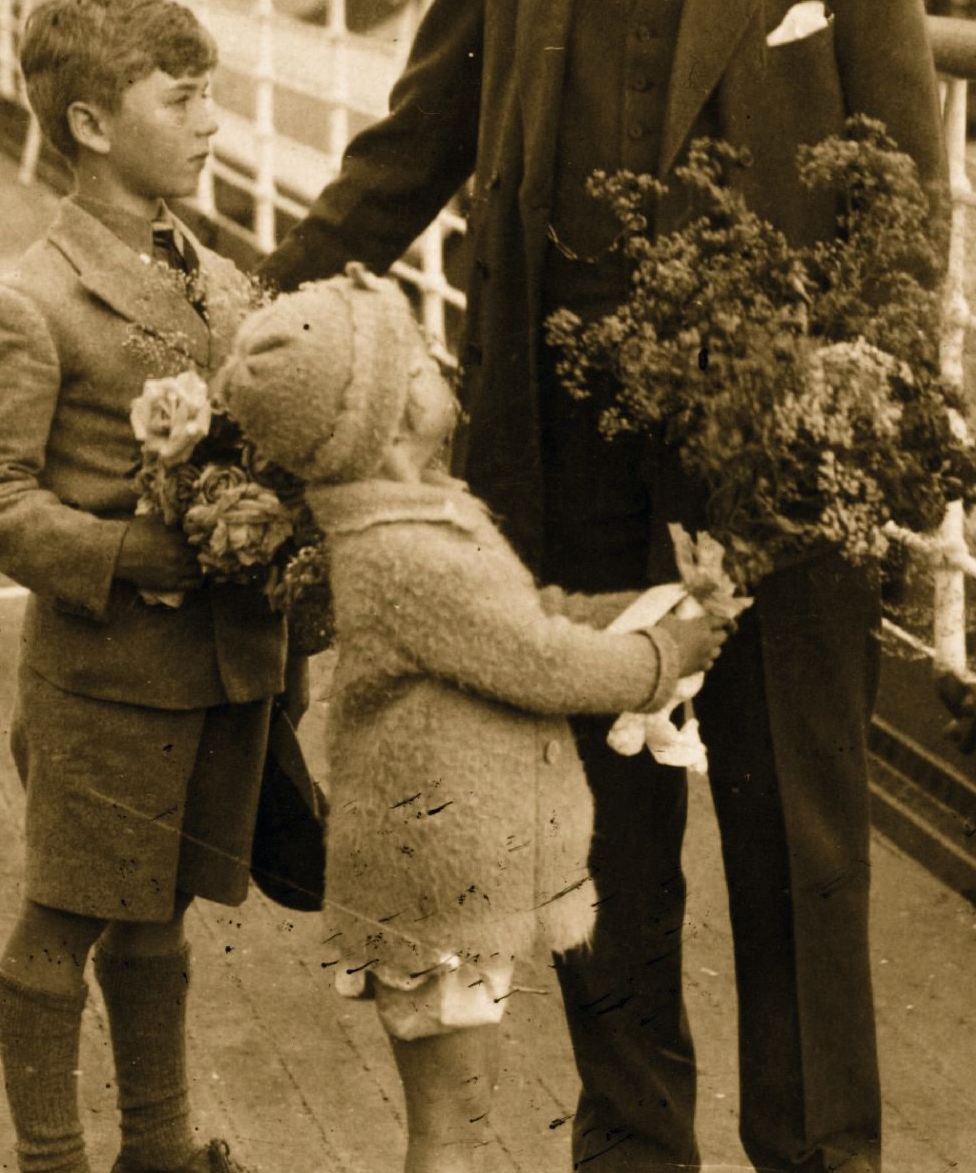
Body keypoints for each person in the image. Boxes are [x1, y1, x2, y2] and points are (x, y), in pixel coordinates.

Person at [264, 0, 945, 1172]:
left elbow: (899, 195)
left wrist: (871, 423)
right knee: (599, 855)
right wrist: (259, 317)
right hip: (558, 467)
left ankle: (819, 1164)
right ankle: (634, 1157)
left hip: (777, 471)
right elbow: (417, 138)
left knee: (800, 852)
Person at [212, 269, 732, 1173]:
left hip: (438, 885)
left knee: (462, 1121)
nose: (433, 359)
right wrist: (664, 657)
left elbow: (529, 615)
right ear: (380, 420)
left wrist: (645, 609)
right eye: (411, 361)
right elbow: (537, 660)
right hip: (435, 891)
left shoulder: (420, 519)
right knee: (451, 1134)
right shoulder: (410, 551)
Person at [0, 0, 278, 1173]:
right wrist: (127, 551)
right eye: (181, 100)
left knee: (157, 917)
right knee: (64, 920)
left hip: (214, 673)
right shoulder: (32, 303)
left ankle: (160, 1149)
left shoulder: (214, 273)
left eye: (209, 99)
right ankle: (50, 1163)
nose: (209, 124)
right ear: (89, 124)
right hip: (107, 680)